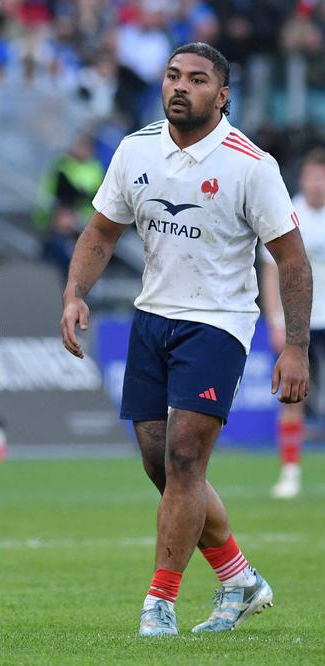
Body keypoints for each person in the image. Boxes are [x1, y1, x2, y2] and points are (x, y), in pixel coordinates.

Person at [60, 43, 312, 637]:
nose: (181, 86)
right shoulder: (135, 149)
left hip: (217, 323)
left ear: (222, 95)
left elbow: (292, 261)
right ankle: (241, 579)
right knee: (161, 465)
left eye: (197, 79)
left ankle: (160, 602)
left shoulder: (252, 164)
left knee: (183, 459)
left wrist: (294, 347)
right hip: (152, 319)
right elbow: (100, 231)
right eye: (173, 76)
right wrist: (75, 293)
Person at [261, 148, 325, 499]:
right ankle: (290, 473)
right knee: (292, 397)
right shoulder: (289, 214)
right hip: (299, 323)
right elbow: (270, 272)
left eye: (323, 177)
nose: (319, 184)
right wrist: (275, 320)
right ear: (303, 180)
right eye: (314, 177)